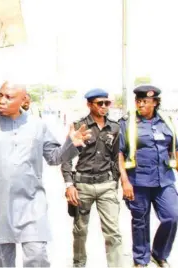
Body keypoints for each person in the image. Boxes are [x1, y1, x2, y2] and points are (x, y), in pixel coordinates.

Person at [0, 82, 92, 267]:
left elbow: (54, 157)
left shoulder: (37, 126)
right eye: (0, 95)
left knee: (37, 257)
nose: (1, 100)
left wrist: (71, 144)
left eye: (8, 97)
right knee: (3, 262)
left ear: (23, 100)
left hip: (31, 203)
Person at [61, 88, 122, 267]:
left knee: (113, 232)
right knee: (80, 231)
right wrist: (69, 185)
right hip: (83, 186)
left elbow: (116, 157)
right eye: (99, 103)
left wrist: (115, 182)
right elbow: (66, 157)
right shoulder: (80, 126)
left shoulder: (114, 127)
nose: (104, 107)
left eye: (107, 103)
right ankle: (79, 264)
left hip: (106, 186)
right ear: (89, 105)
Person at [118, 85, 178, 267]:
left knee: (172, 216)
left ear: (155, 103)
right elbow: (119, 153)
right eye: (138, 101)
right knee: (140, 222)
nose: (140, 104)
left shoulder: (166, 121)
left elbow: (174, 149)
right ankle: (140, 259)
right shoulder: (127, 122)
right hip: (138, 180)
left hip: (164, 179)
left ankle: (159, 253)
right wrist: (125, 181)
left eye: (145, 101)